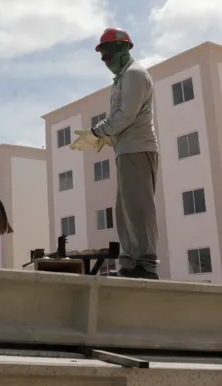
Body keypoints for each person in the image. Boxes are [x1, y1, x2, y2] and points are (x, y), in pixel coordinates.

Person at [70, 27, 160, 280]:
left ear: (123, 49)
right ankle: (131, 263)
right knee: (124, 211)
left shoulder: (134, 75)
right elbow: (121, 118)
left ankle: (146, 264)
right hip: (126, 150)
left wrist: (98, 133)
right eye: (102, 56)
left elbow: (126, 115)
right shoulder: (123, 78)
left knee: (139, 209)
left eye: (107, 54)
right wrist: (108, 137)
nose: (104, 60)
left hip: (138, 149)